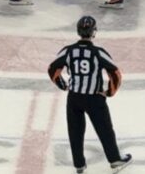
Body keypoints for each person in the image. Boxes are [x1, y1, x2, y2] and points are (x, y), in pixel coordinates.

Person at [47, 16, 133, 174]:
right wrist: (109, 92)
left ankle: (79, 165)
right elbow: (115, 74)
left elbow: (53, 69)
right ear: (93, 32)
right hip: (94, 98)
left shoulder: (68, 51)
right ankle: (114, 159)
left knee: (75, 131)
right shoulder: (98, 52)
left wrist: (62, 84)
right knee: (105, 129)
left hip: (74, 98)